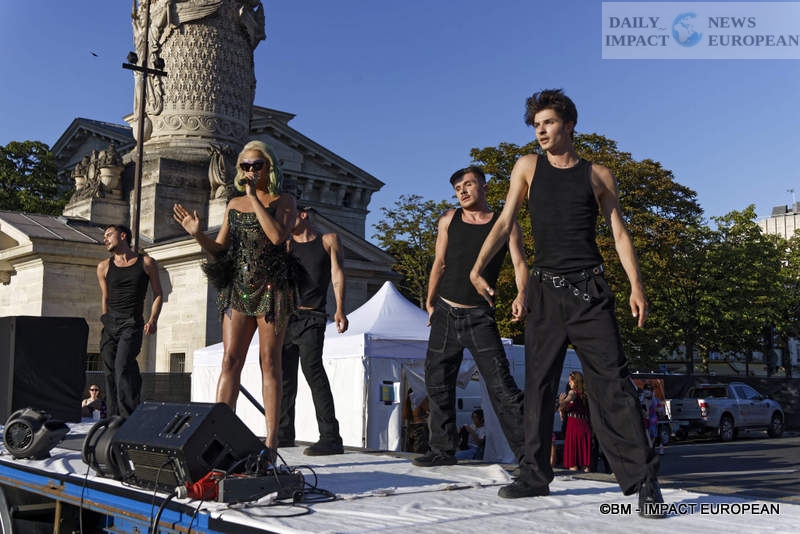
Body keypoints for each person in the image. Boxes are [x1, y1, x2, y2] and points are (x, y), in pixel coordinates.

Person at [469, 89, 664, 518]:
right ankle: (534, 475)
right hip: (544, 292)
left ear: (569, 125)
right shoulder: (527, 167)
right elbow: (505, 221)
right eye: (536, 125)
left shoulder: (598, 175)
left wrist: (637, 286)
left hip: (589, 292)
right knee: (539, 385)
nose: (541, 131)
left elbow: (619, 233)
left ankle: (645, 481)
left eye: (549, 123)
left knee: (613, 384)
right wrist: (478, 267)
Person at [173, 140, 297, 452]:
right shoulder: (233, 204)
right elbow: (219, 249)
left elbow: (277, 237)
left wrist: (254, 197)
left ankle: (271, 440)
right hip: (238, 287)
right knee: (229, 360)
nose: (250, 170)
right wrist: (197, 235)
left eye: (257, 165)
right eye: (245, 166)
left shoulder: (283, 201)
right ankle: (218, 435)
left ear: (268, 167)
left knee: (269, 362)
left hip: (271, 288)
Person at [412, 166, 528, 467]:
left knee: (502, 387)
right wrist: (430, 301)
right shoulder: (449, 219)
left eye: (468, 184)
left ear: (484, 187)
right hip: (445, 312)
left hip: (479, 316)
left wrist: (521, 295)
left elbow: (519, 263)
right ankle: (442, 451)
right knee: (438, 382)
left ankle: (530, 457)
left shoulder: (505, 223)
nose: (462, 191)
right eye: (457, 188)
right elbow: (439, 262)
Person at [278, 206, 348, 456]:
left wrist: (340, 309)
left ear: (303, 214)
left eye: (288, 215)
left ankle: (330, 437)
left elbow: (337, 274)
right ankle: (283, 434)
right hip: (288, 318)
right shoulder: (287, 245)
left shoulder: (328, 240)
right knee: (285, 378)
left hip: (313, 316)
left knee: (313, 373)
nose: (285, 221)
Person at [97, 224, 163, 418]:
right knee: (110, 371)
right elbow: (105, 298)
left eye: (109, 234)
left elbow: (158, 293)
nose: (105, 239)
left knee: (122, 367)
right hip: (110, 323)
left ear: (123, 235)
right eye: (104, 236)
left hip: (131, 323)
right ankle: (112, 419)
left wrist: (153, 319)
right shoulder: (103, 266)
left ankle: (127, 419)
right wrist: (106, 320)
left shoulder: (147, 263)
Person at [558, 371, 591, 472]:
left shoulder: (573, 392)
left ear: (576, 381)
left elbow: (567, 400)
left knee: (573, 462)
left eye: (570, 381)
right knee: (584, 462)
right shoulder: (585, 395)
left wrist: (561, 402)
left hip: (574, 429)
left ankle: (577, 479)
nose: (569, 383)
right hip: (585, 427)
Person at [642, 383, 666, 455]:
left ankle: (658, 447)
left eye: (649, 390)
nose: (647, 391)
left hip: (654, 420)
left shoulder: (656, 400)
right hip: (645, 420)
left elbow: (661, 412)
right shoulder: (642, 400)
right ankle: (651, 448)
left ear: (652, 392)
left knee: (655, 430)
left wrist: (659, 410)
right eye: (646, 390)